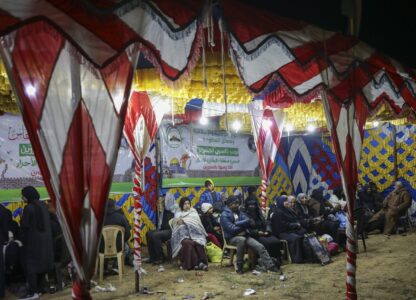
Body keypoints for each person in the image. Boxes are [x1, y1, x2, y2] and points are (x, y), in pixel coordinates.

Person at [220, 195, 280, 274]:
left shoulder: (239, 212)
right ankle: (239, 267)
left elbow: (249, 221)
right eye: (235, 203)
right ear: (230, 204)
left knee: (260, 246)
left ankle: (271, 266)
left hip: (244, 235)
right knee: (241, 240)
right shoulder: (224, 215)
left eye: (238, 203)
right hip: (231, 238)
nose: (237, 205)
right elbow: (232, 230)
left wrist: (237, 224)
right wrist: (244, 227)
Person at [19, 186, 54, 300]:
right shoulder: (43, 205)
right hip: (46, 241)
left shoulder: (29, 208)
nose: (22, 197)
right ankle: (40, 288)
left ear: (28, 195)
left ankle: (32, 292)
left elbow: (24, 227)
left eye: (23, 195)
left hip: (33, 242)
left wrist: (21, 239)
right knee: (42, 265)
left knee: (31, 267)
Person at [244, 188, 282, 262]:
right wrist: (257, 232)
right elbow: (246, 229)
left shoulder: (259, 214)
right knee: (267, 243)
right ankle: (266, 261)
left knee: (276, 241)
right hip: (254, 234)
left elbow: (266, 222)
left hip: (264, 232)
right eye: (250, 205)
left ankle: (276, 260)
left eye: (254, 205)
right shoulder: (244, 215)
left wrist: (267, 230)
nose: (252, 207)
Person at [170, 197, 208, 271]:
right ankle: (198, 264)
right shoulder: (178, 214)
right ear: (181, 205)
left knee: (197, 242)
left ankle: (197, 264)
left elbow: (197, 224)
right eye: (185, 204)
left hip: (195, 234)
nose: (187, 205)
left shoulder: (193, 213)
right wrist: (182, 222)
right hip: (182, 236)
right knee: (188, 243)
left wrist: (184, 221)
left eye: (188, 203)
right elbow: (176, 226)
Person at [269, 196, 308, 263]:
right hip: (281, 233)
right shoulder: (278, 212)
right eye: (285, 201)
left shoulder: (287, 210)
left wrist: (296, 224)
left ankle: (305, 256)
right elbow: (281, 226)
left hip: (288, 230)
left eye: (287, 201)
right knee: (295, 238)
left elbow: (293, 219)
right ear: (281, 202)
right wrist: (294, 225)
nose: (287, 202)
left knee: (302, 234)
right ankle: (296, 259)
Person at [145, 192, 176, 264]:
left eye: (164, 199)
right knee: (148, 233)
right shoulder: (164, 209)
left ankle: (160, 257)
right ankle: (153, 257)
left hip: (172, 230)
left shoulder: (175, 209)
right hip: (163, 229)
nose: (162, 200)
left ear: (169, 200)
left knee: (156, 235)